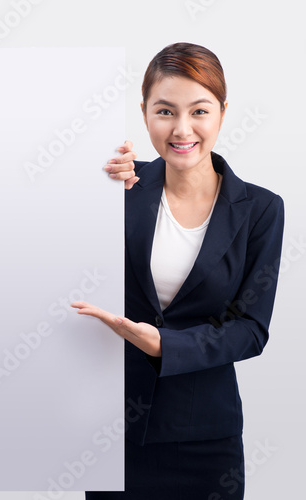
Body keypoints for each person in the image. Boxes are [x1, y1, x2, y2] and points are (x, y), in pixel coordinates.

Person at [71, 42, 285, 499]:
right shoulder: (118, 187)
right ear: (145, 112)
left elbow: (250, 329)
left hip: (205, 439)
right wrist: (83, 176)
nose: (182, 129)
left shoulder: (261, 209)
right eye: (165, 111)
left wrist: (165, 344)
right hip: (111, 431)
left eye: (200, 111)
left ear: (223, 113)